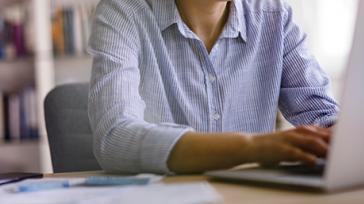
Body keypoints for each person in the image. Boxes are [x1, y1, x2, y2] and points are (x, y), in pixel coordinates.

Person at [88, 0, 339, 174]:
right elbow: (114, 138)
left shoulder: (275, 15)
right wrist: (252, 148)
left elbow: (325, 117)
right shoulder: (123, 12)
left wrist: (341, 137)